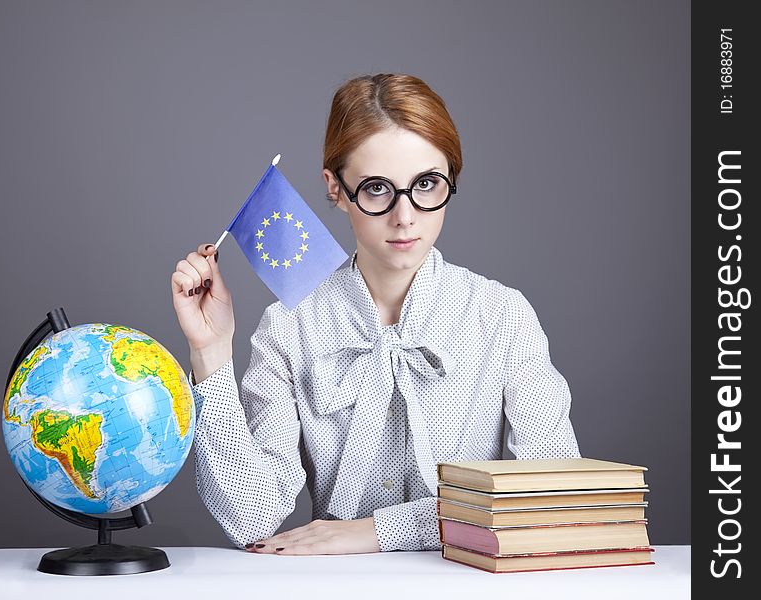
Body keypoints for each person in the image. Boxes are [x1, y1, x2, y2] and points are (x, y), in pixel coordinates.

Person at [170, 73, 581, 556]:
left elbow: (553, 493)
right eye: (377, 188)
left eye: (427, 184)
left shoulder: (502, 318)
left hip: (470, 582)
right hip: (336, 585)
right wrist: (211, 352)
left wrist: (379, 531)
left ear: (452, 177)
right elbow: (251, 516)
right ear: (336, 189)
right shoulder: (290, 326)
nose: (405, 216)